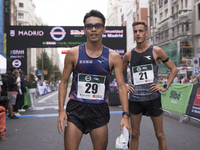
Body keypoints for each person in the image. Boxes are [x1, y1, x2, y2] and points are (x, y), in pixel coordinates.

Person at [57, 9, 130, 150]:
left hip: (99, 110)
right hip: (76, 109)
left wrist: (125, 116)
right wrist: (61, 110)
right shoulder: (73, 53)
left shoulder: (113, 56)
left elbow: (121, 86)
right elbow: (64, 82)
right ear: (84, 30)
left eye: (98, 26)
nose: (94, 29)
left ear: (104, 29)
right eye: (89, 26)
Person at [122, 21, 178, 150]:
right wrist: (126, 86)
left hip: (153, 99)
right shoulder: (129, 55)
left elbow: (174, 69)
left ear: (146, 33)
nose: (138, 34)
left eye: (141, 31)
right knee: (135, 134)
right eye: (135, 31)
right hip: (135, 100)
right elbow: (118, 73)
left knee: (159, 134)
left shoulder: (156, 51)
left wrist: (165, 86)